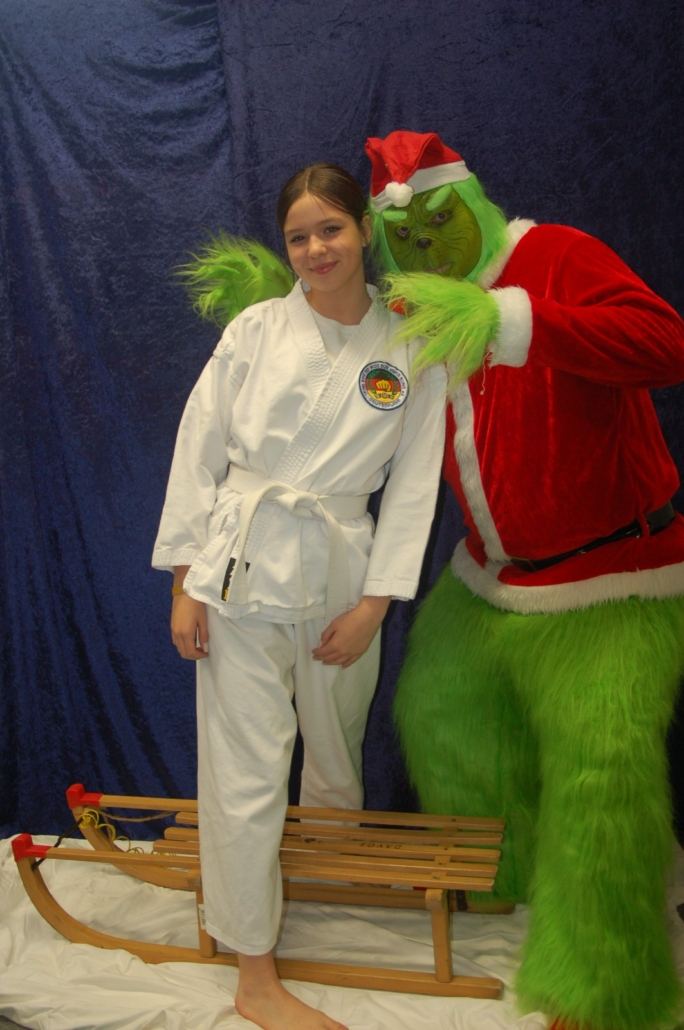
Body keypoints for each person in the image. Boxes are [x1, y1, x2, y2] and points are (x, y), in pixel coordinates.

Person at [364, 130, 684, 1030]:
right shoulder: (413, 303)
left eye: (439, 222)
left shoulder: (555, 254)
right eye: (405, 235)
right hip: (492, 579)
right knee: (437, 706)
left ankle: (605, 983)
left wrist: (515, 324)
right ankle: (509, 876)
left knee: (600, 769)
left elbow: (666, 342)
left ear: (470, 202)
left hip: (615, 579)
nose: (427, 245)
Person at [152, 162, 446, 1030]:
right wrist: (185, 582)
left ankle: (321, 881)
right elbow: (198, 450)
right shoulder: (255, 330)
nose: (316, 249)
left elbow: (415, 484)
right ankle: (255, 973)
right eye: (298, 237)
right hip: (240, 569)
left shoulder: (411, 345)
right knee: (245, 771)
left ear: (365, 231)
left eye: (331, 229)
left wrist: (375, 606)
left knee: (336, 749)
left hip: (345, 573)